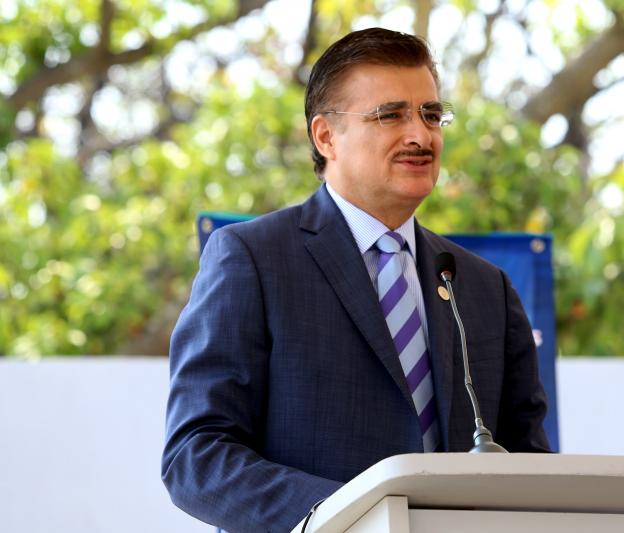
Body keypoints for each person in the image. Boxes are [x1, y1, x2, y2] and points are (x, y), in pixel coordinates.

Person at [162, 27, 550, 533]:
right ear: (326, 136)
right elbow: (196, 457)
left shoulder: (483, 288)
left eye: (431, 114)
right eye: (391, 115)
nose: (420, 136)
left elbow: (529, 470)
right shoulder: (253, 259)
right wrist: (355, 517)